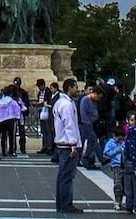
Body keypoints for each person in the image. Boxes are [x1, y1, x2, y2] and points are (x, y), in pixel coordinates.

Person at [53, 77, 83, 214]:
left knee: (63, 175)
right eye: (76, 87)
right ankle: (66, 204)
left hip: (62, 143)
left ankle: (61, 204)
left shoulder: (61, 102)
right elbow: (69, 125)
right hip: (67, 144)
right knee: (67, 176)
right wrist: (73, 144)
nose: (77, 89)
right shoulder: (67, 104)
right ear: (69, 88)